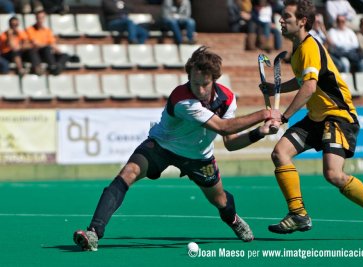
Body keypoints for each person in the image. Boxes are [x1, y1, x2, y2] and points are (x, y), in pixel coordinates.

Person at [73, 46, 282, 251]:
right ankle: (93, 232)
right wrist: (263, 114)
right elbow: (222, 126)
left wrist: (260, 133)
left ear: (214, 80)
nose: (199, 89)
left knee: (220, 200)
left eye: (205, 84)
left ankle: (234, 220)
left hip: (199, 157)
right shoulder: (182, 99)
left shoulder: (227, 99)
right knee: (128, 172)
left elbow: (231, 142)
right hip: (162, 146)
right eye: (195, 83)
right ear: (188, 76)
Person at [260, 0, 363, 240]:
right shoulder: (298, 50)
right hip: (316, 117)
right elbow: (304, 80)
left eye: (287, 16)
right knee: (280, 153)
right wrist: (275, 88)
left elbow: (310, 87)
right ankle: (298, 213)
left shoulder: (310, 46)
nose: (281, 20)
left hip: (338, 116)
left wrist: (284, 116)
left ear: (302, 21)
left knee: (333, 174)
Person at [25, 10, 69, 75]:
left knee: (65, 55)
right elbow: (36, 44)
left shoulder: (47, 30)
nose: (40, 20)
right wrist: (49, 45)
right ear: (36, 18)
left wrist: (58, 51)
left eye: (42, 18)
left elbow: (52, 43)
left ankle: (57, 67)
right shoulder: (30, 29)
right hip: (38, 53)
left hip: (48, 53)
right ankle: (52, 66)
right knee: (46, 48)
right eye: (39, 18)